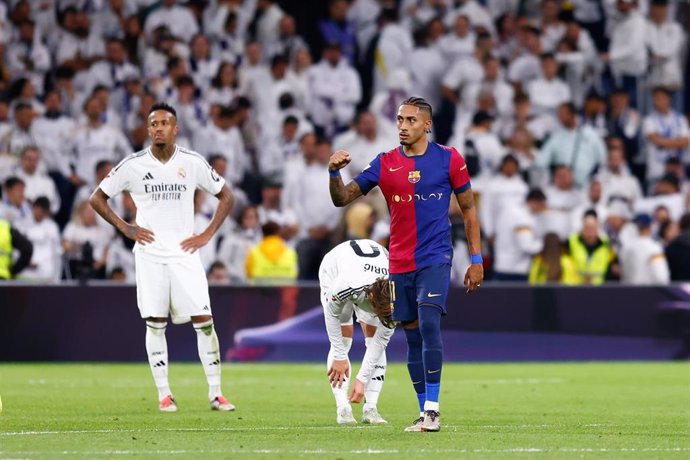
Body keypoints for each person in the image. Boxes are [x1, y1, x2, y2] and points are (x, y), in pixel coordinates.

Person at [328, 97, 483, 432]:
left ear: (427, 124)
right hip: (399, 262)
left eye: (411, 120)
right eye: (399, 120)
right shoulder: (385, 163)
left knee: (429, 324)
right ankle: (423, 411)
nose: (402, 126)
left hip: (435, 257)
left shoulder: (449, 159)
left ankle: (433, 410)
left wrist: (476, 258)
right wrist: (333, 172)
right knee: (411, 337)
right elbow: (342, 198)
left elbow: (469, 209)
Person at [89, 102, 236, 413]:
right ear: (148, 129)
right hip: (150, 254)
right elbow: (97, 198)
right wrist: (126, 228)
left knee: (205, 322)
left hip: (185, 254)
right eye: (153, 123)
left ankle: (216, 393)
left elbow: (227, 195)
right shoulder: (133, 164)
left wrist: (207, 234)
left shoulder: (192, 162)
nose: (158, 128)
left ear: (175, 129)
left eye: (164, 123)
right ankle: (164, 394)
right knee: (155, 324)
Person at [318, 239, 394, 426]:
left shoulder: (398, 296)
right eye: (376, 311)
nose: (378, 316)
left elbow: (380, 341)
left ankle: (371, 409)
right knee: (344, 338)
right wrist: (339, 354)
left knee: (374, 333)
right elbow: (331, 314)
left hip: (371, 268)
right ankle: (343, 408)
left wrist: (361, 379)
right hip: (334, 267)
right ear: (369, 297)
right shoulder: (346, 284)